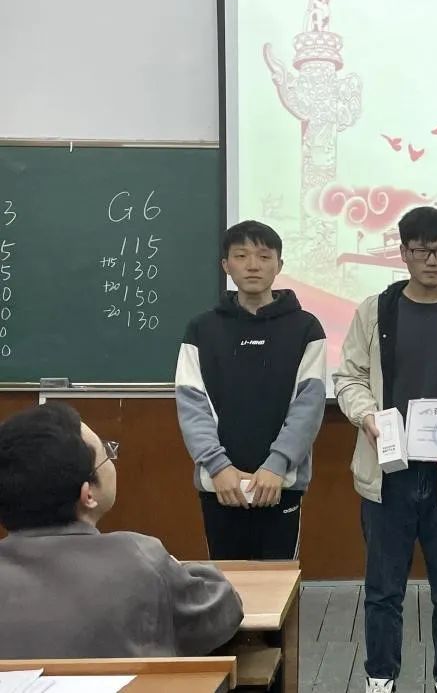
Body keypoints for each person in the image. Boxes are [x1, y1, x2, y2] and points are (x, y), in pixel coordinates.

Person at [333, 206, 437, 693]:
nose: (432, 259)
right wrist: (367, 415)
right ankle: (380, 677)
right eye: (422, 250)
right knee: (383, 590)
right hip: (388, 472)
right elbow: (349, 378)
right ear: (403, 253)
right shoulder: (375, 310)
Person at [0, 402, 243, 658]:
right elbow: (222, 610)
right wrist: (173, 566)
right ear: (88, 494)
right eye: (106, 452)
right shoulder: (138, 557)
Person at [176, 220, 326, 560]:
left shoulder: (306, 328)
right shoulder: (201, 329)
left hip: (280, 483)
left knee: (279, 582)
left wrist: (276, 465)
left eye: (263, 256)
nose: (253, 265)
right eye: (241, 256)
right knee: (226, 583)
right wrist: (218, 467)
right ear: (226, 265)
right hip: (221, 484)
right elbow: (192, 405)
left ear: (279, 265)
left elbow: (309, 405)